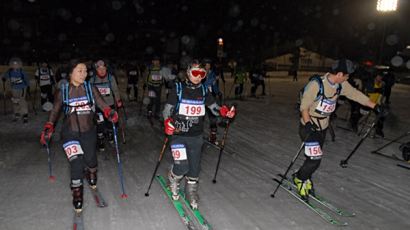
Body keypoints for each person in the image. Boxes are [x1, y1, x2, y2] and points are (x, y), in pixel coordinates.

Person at [294, 59, 382, 200]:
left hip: (323, 127)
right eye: (347, 75)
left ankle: (305, 175)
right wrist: (308, 123)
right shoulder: (316, 85)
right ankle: (300, 178)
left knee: (313, 157)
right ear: (340, 74)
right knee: (315, 158)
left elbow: (356, 95)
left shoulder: (341, 84)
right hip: (308, 126)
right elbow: (304, 107)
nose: (348, 78)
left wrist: (375, 106)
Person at [39, 61, 118, 213]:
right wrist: (49, 126)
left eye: (85, 71)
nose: (84, 74)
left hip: (88, 131)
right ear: (71, 73)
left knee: (90, 160)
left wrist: (109, 112)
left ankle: (92, 171)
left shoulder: (90, 88)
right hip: (69, 133)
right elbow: (55, 110)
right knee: (76, 162)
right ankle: (77, 194)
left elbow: (102, 104)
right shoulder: (63, 90)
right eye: (80, 71)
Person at [162, 60, 236, 209]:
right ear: (189, 73)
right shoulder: (178, 88)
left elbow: (214, 108)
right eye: (195, 73)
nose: (198, 77)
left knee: (195, 169)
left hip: (196, 137)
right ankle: (173, 178)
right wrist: (167, 123)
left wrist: (224, 112)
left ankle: (191, 192)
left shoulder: (203, 90)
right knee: (182, 167)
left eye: (201, 74)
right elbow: (167, 110)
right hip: (178, 135)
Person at [89, 60, 122, 152]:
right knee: (99, 123)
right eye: (99, 69)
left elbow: (115, 90)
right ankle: (100, 140)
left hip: (109, 104)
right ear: (96, 70)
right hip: (98, 106)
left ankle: (111, 134)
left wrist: (118, 100)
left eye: (103, 69)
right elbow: (90, 93)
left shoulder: (110, 78)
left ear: (106, 69)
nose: (102, 71)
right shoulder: (93, 80)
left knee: (110, 122)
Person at [1, 58, 30, 123]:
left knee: (22, 100)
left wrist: (28, 86)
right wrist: (4, 78)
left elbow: (26, 79)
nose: (15, 66)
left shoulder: (21, 71)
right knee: (15, 100)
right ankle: (17, 113)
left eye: (16, 64)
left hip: (22, 88)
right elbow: (5, 76)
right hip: (14, 88)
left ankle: (25, 115)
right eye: (14, 65)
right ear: (11, 65)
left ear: (19, 65)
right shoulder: (10, 71)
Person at [202, 59, 222, 144]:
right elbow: (203, 85)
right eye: (206, 65)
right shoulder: (201, 74)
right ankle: (196, 135)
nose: (207, 67)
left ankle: (213, 135)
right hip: (201, 98)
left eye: (209, 65)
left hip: (211, 98)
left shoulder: (212, 73)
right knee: (200, 118)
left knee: (213, 117)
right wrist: (212, 80)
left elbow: (214, 85)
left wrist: (218, 92)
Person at [364, 72, 386, 137]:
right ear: (375, 76)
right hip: (367, 102)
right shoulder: (371, 82)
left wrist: (381, 102)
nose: (380, 78)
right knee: (361, 112)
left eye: (381, 77)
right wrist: (377, 90)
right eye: (379, 76)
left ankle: (378, 130)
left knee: (382, 114)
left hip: (375, 104)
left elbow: (382, 95)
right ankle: (353, 122)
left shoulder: (382, 84)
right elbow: (369, 90)